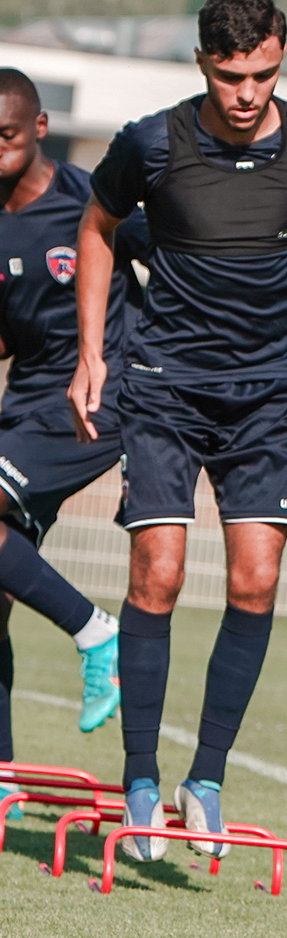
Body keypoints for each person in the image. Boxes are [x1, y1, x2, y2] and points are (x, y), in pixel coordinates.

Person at [70, 0, 287, 861]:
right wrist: (91, 355)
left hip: (267, 394)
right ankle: (142, 780)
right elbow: (100, 224)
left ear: (280, 59)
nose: (246, 94)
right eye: (230, 76)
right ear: (202, 65)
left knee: (256, 580)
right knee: (159, 573)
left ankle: (208, 779)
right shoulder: (151, 143)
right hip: (163, 386)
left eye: (263, 73)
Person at [0, 69, 142, 821]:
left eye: (6, 136)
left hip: (93, 404)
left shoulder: (91, 203)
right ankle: (1, 783)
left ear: (40, 126)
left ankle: (96, 634)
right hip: (23, 408)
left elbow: (174, 265)